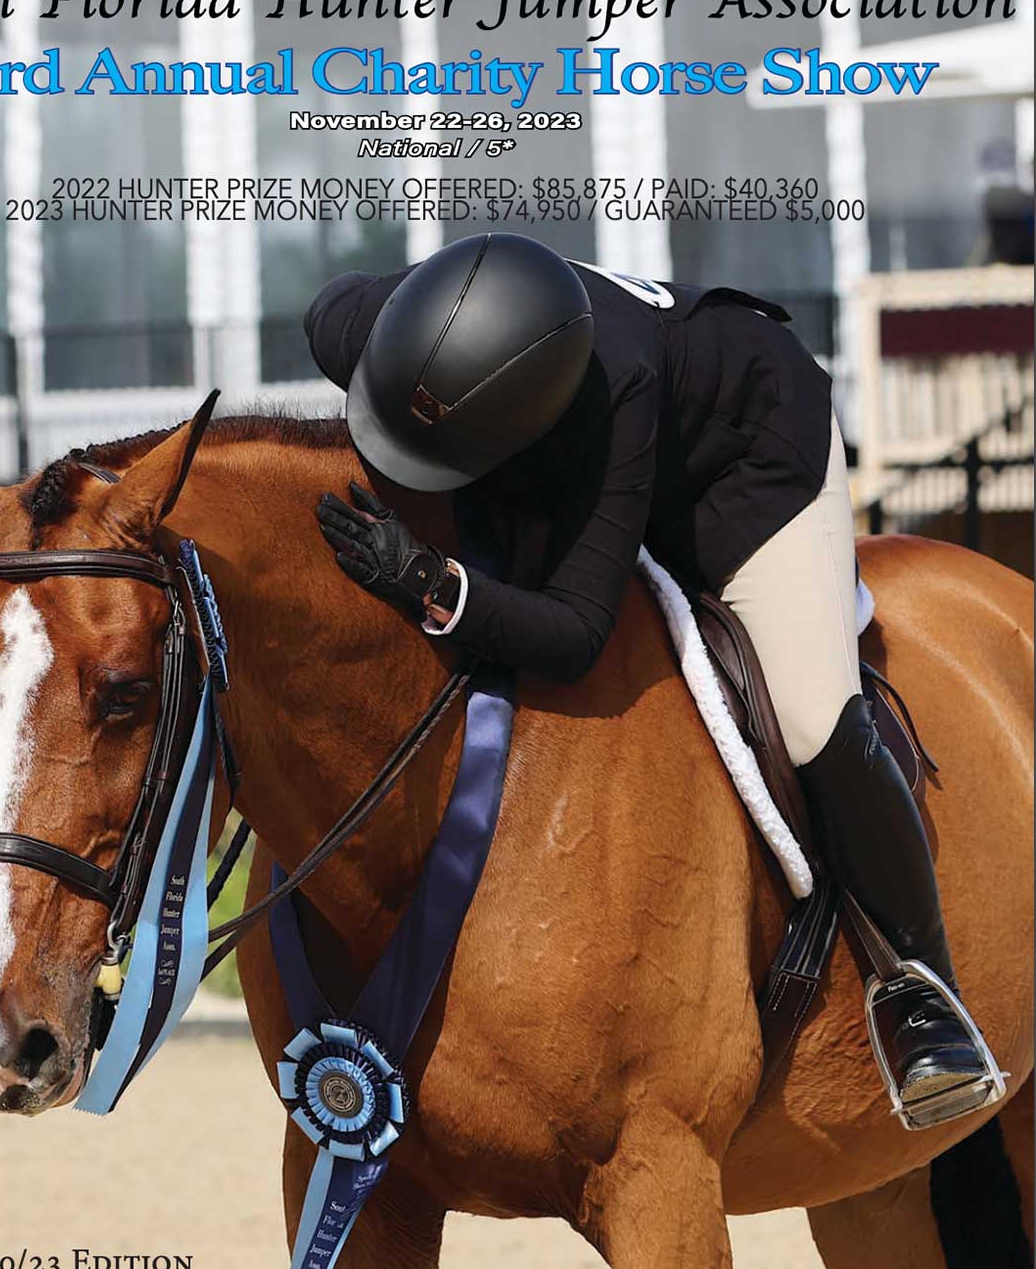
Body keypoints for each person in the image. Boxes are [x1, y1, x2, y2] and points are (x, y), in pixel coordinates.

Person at [306, 232, 999, 1126]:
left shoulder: (618, 395)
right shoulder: (363, 323)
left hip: (747, 460)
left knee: (807, 713)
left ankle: (922, 990)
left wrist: (436, 586)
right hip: (550, 440)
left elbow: (575, 632)